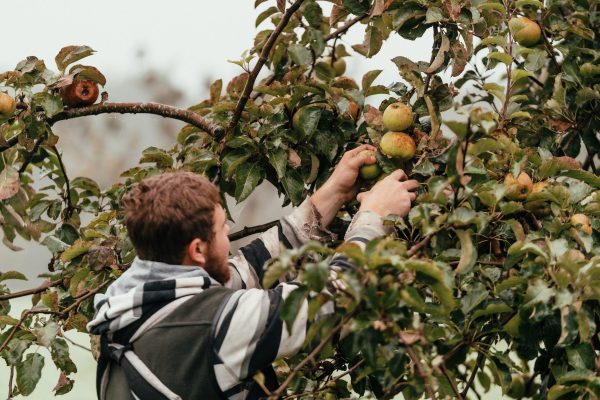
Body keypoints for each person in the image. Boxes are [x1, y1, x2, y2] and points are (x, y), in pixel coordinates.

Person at [87, 144, 419, 400]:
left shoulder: (131, 303)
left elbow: (252, 266)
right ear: (197, 250)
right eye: (220, 229)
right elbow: (326, 300)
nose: (229, 230)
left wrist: (334, 193)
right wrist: (374, 216)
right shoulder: (214, 327)